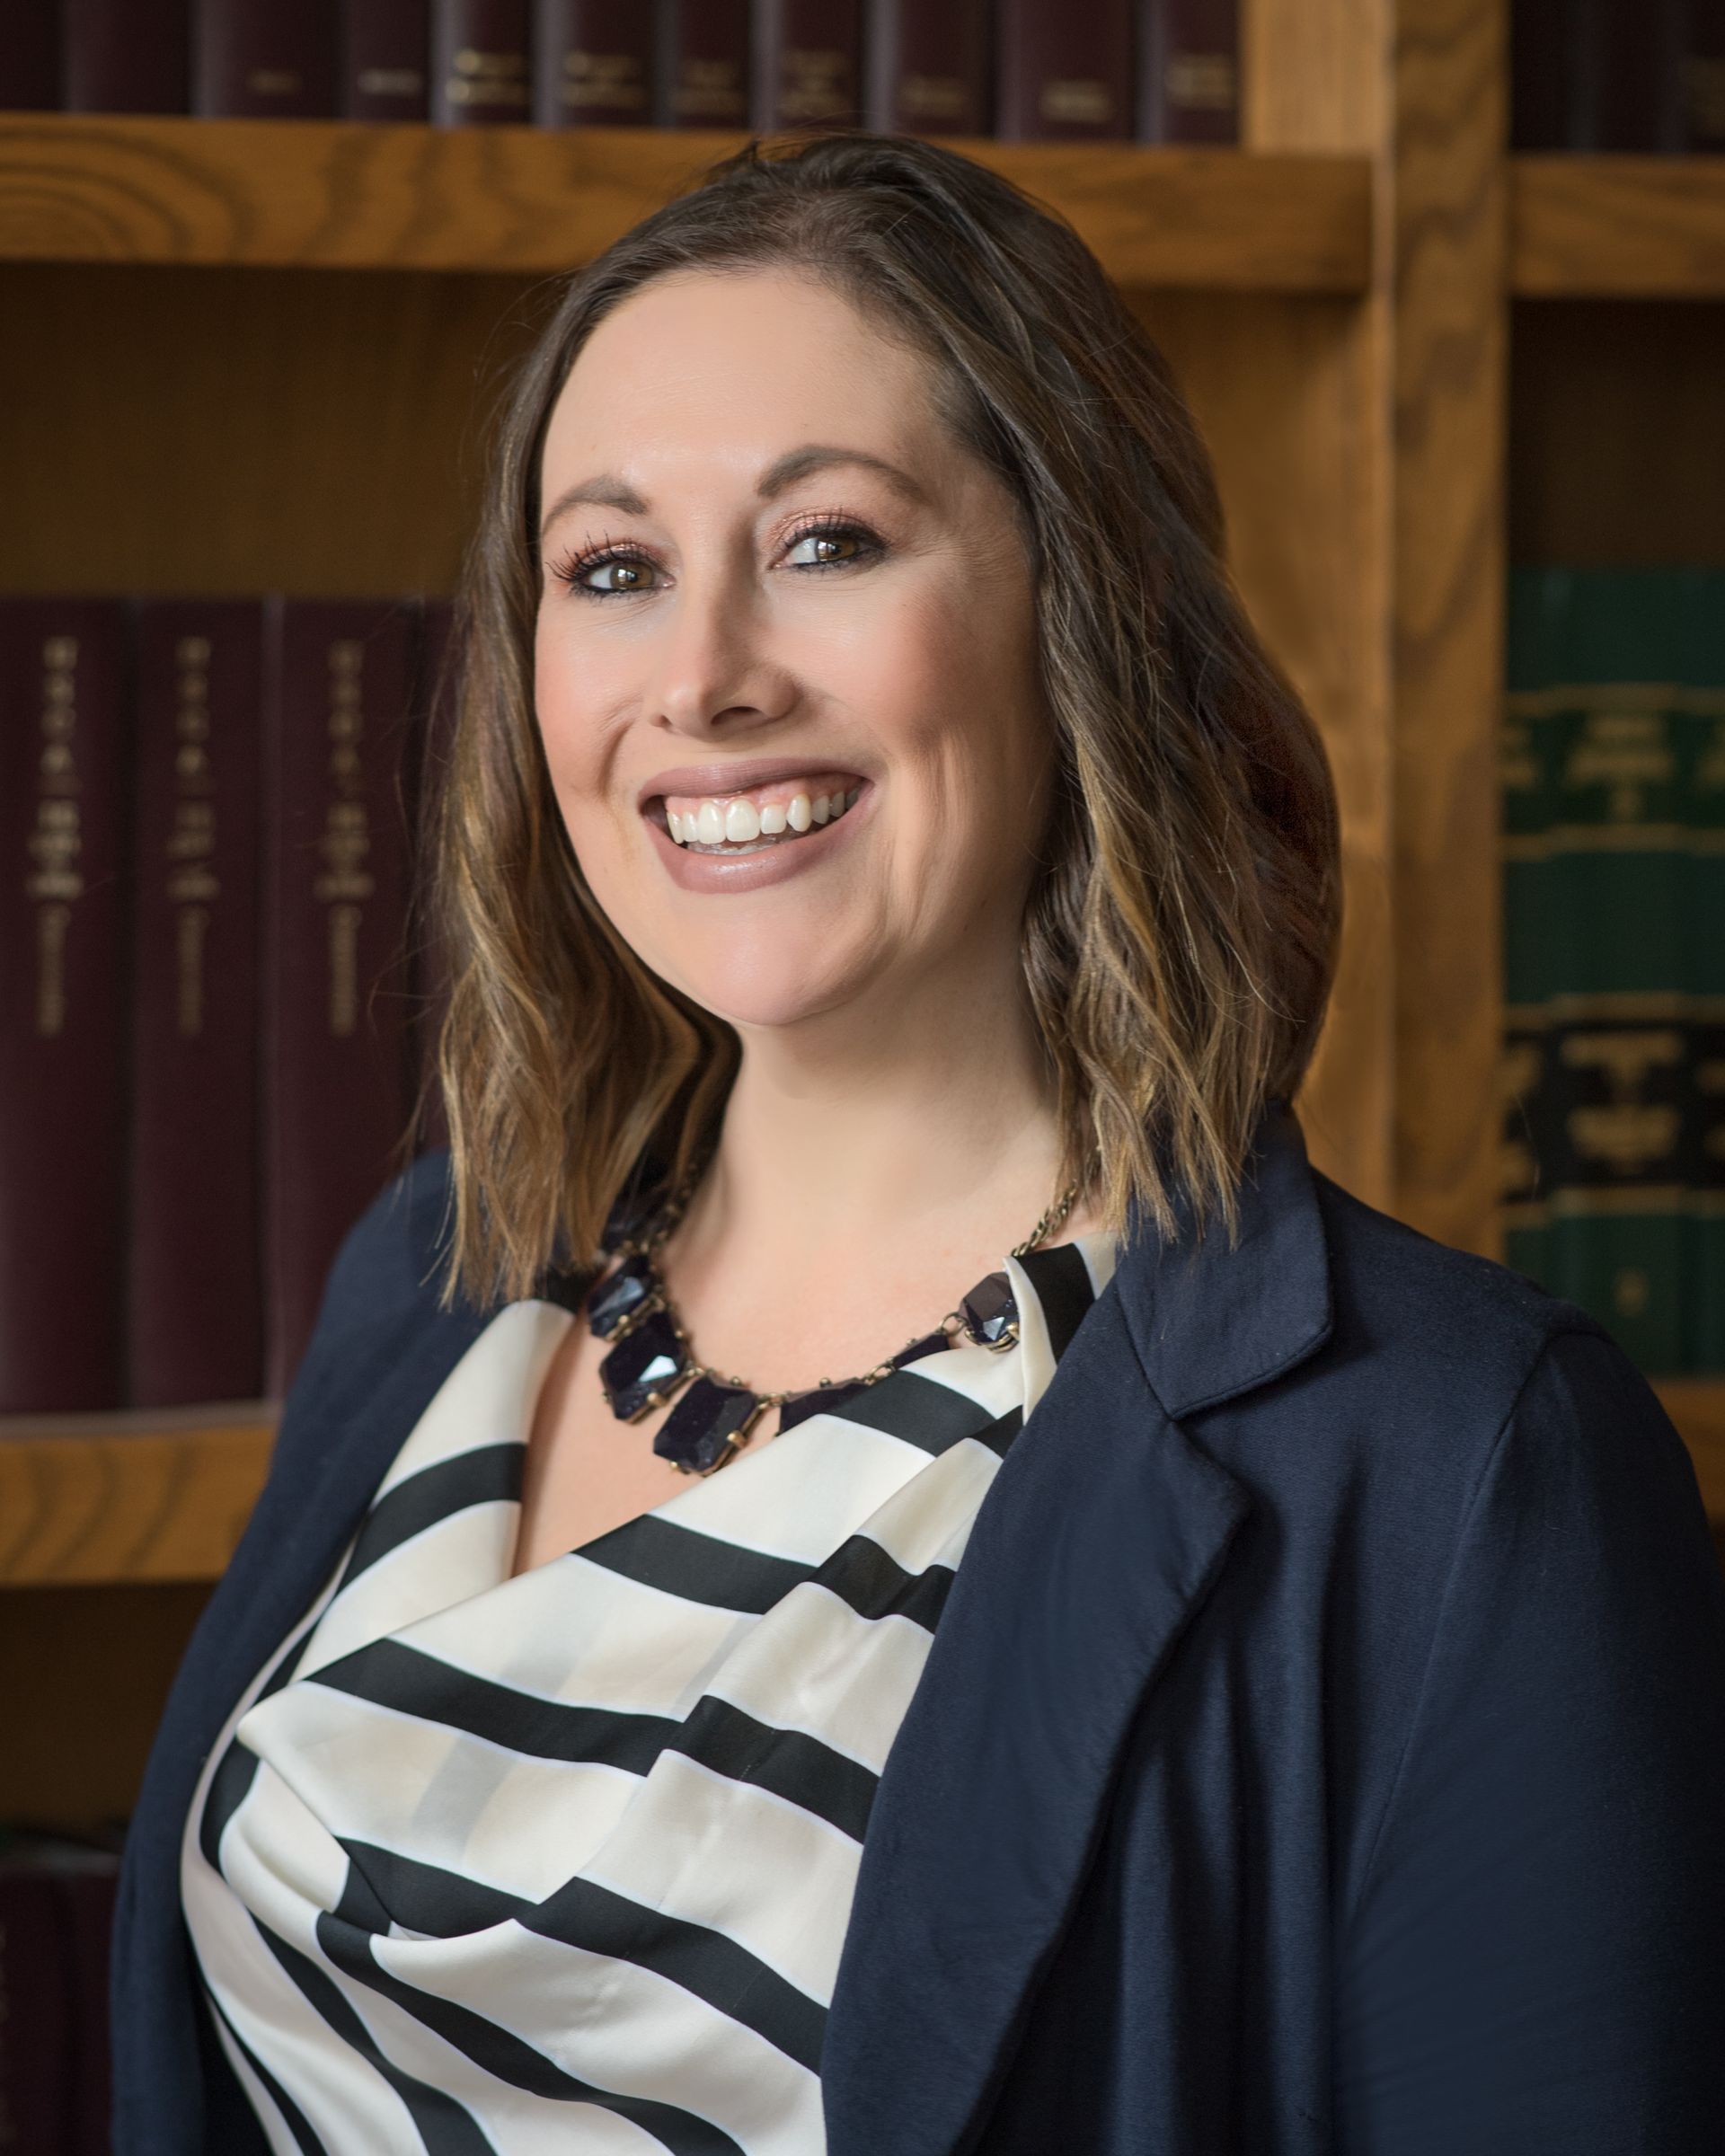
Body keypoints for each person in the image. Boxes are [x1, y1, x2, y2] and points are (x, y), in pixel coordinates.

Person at [113, 132, 1725, 2155]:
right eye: (613, 570)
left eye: (830, 544)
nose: (702, 679)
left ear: (1085, 614)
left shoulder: (1464, 1474)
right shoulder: (431, 1279)